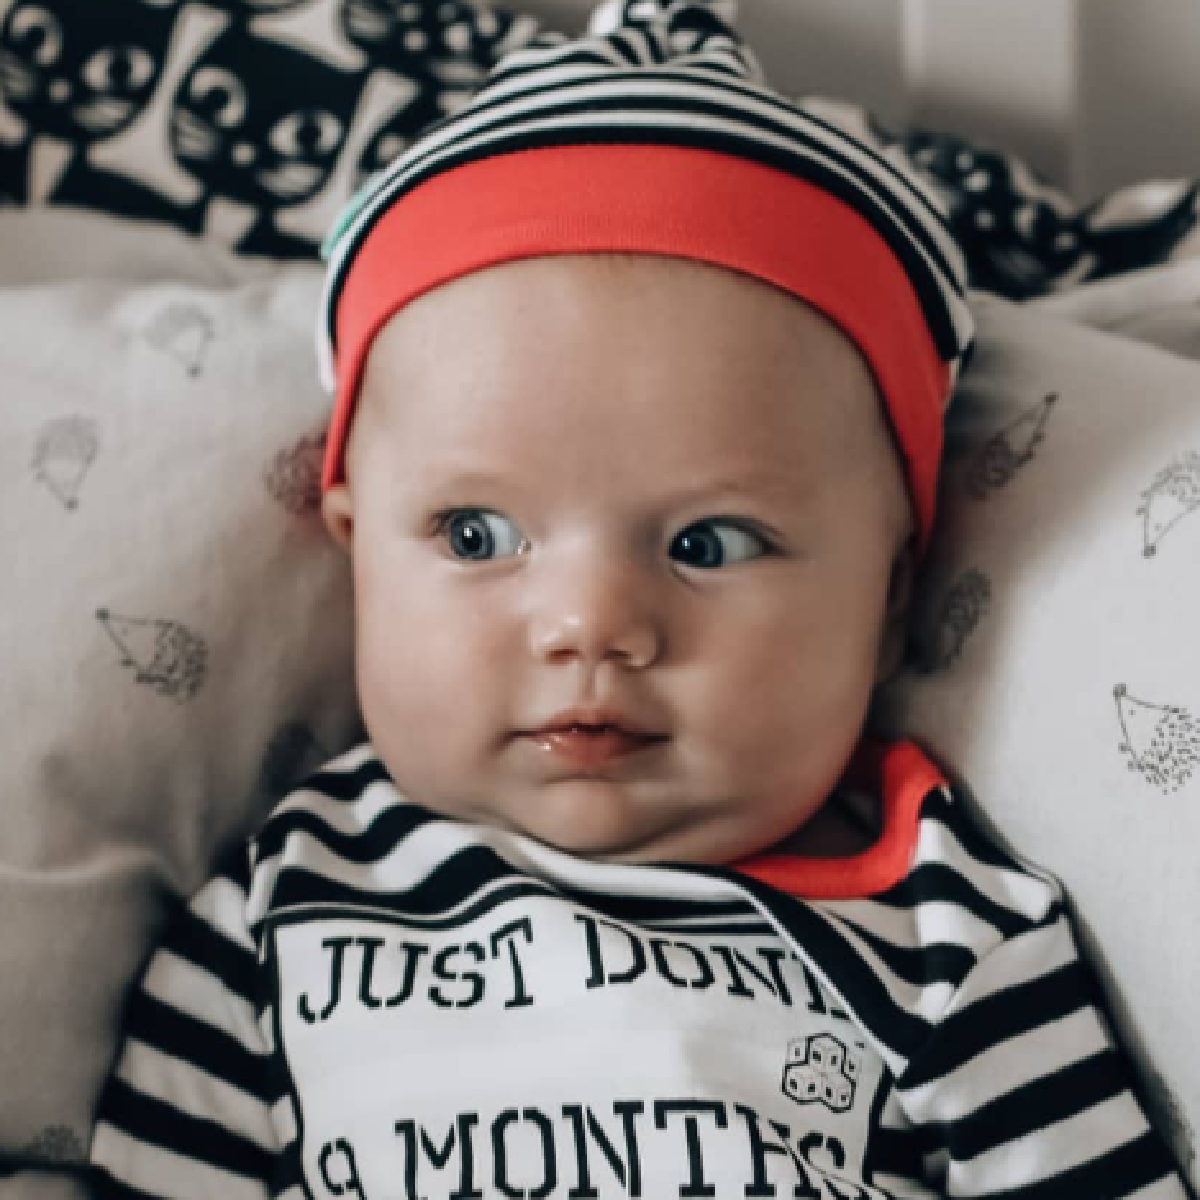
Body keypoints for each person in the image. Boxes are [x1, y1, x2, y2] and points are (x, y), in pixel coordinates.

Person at [88, 2, 1189, 1198]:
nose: (591, 625)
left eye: (709, 543)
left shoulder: (948, 932)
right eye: (477, 535)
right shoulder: (274, 913)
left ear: (886, 603)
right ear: (357, 554)